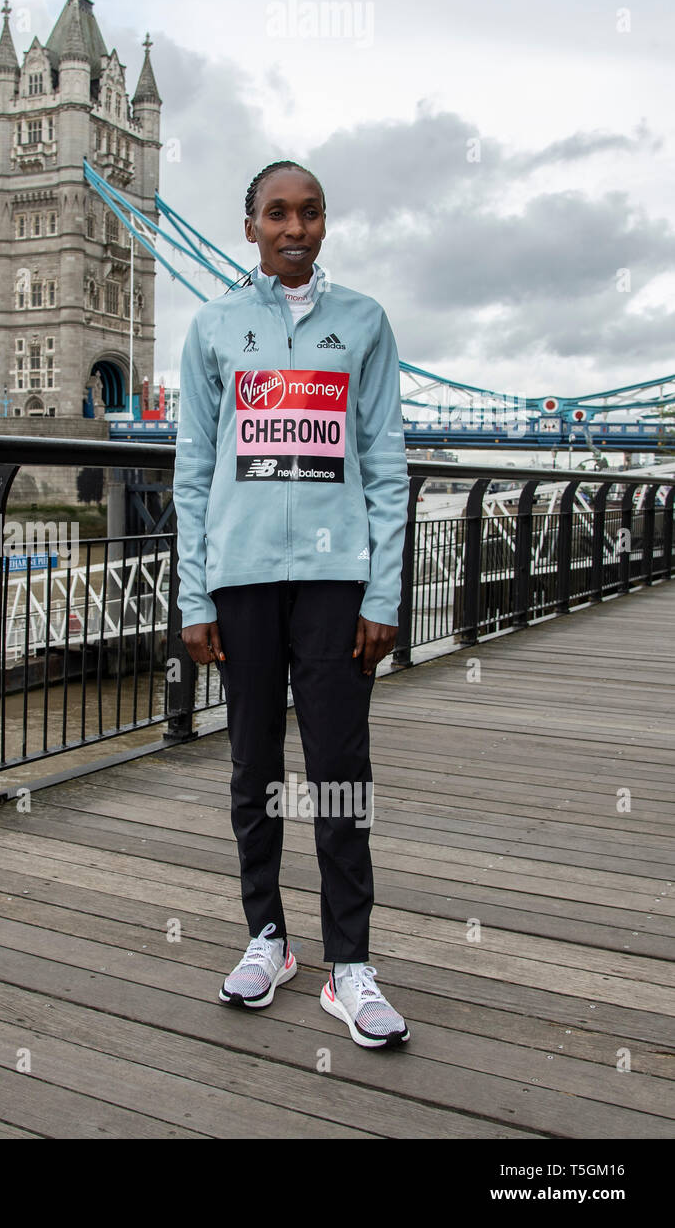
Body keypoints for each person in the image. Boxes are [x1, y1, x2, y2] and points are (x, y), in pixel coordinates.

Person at [172, 160, 411, 1049]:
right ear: (250, 227)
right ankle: (267, 939)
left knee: (342, 769)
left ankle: (351, 964)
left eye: (310, 213)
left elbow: (386, 467)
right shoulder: (212, 329)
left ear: (323, 224)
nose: (295, 229)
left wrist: (383, 591)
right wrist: (194, 592)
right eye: (277, 214)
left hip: (336, 582)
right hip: (239, 582)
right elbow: (193, 474)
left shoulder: (365, 323)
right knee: (254, 769)